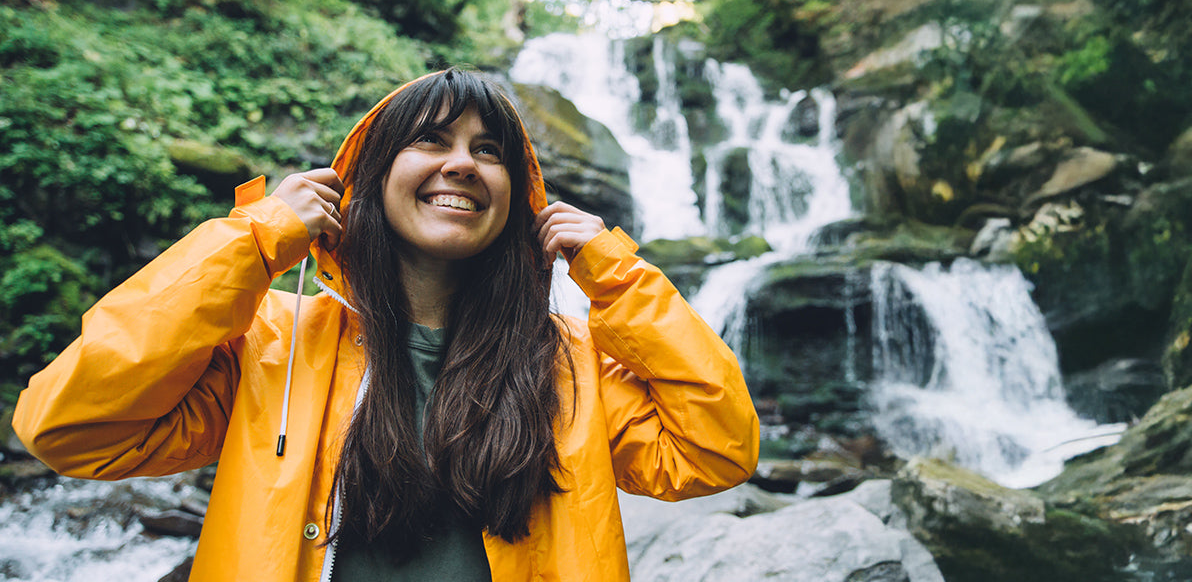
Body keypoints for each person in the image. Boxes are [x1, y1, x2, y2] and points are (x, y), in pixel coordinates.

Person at [11, 69, 758, 581]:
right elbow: (70, 423)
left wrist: (613, 271)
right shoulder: (275, 343)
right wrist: (253, 240)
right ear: (365, 182)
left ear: (518, 199)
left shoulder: (567, 363)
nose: (462, 164)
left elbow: (715, 448)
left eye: (488, 151)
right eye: (431, 140)